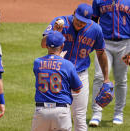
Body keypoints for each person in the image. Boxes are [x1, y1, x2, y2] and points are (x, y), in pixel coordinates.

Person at [41, 3, 110, 131]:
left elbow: (101, 53)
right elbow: (43, 44)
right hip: (59, 76)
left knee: (80, 117)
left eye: (83, 22)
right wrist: (54, 32)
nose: (79, 24)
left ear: (89, 21)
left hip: (80, 76)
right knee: (58, 115)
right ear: (73, 13)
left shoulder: (95, 30)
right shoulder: (60, 22)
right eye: (78, 20)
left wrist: (106, 78)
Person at [89, 0, 130, 126]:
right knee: (99, 77)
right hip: (104, 44)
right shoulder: (98, 1)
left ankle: (118, 113)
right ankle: (96, 113)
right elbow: (93, 22)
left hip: (125, 44)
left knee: (121, 79)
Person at [32, 31, 83, 131]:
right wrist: (61, 60)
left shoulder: (37, 62)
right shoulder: (67, 64)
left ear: (46, 46)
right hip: (61, 112)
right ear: (62, 45)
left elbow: (49, 68)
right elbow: (77, 89)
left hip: (41, 111)